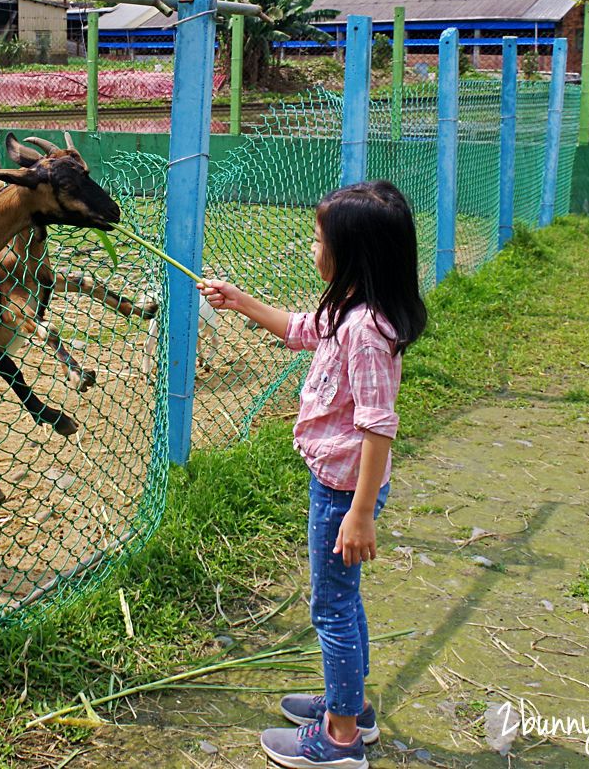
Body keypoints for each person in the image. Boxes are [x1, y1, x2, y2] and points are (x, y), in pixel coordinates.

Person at [198, 180, 426, 769]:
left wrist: (358, 513)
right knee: (341, 602)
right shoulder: (349, 308)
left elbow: (379, 426)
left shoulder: (365, 331)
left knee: (331, 608)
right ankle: (346, 706)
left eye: (318, 239)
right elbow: (299, 329)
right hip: (338, 485)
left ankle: (341, 740)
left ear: (353, 253)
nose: (312, 247)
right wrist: (240, 301)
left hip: (344, 491)